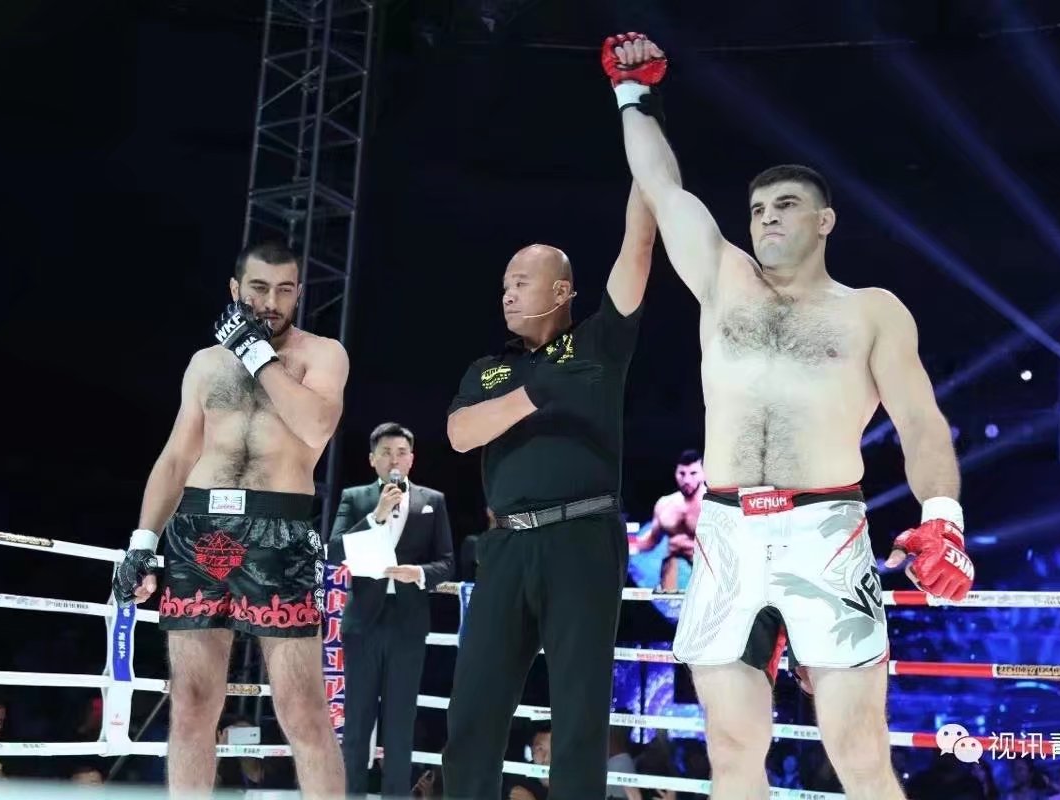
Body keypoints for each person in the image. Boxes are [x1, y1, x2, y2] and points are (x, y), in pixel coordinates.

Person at [603, 32, 975, 800]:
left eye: (785, 206)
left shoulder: (871, 312)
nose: (766, 219)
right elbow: (661, 185)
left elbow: (920, 421)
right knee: (732, 749)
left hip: (825, 532)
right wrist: (632, 95)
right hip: (727, 531)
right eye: (757, 209)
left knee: (858, 750)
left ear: (825, 220)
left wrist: (943, 517)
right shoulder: (722, 279)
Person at [441, 183, 657, 799]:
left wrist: (645, 159)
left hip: (583, 537)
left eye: (521, 282)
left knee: (580, 711)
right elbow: (459, 434)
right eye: (504, 285)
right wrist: (537, 393)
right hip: (506, 545)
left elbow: (637, 247)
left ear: (561, 292)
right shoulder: (489, 368)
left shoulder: (598, 343)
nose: (507, 294)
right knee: (474, 706)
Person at [111, 242, 349, 799]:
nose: (271, 302)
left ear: (299, 293)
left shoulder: (322, 354)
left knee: (302, 707)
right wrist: (143, 542)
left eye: (285, 290)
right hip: (198, 529)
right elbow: (177, 456)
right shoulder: (206, 363)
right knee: (192, 701)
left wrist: (257, 355)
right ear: (235, 289)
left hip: (278, 532)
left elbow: (317, 426)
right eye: (259, 288)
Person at [326, 422, 454, 799]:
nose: (393, 459)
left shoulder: (433, 500)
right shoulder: (356, 497)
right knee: (357, 723)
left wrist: (420, 573)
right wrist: (377, 516)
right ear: (372, 459)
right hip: (363, 622)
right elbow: (334, 551)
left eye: (401, 452)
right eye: (385, 452)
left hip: (408, 622)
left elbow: (447, 562)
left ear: (411, 459)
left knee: (400, 724)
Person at [630, 449, 706, 592]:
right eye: (682, 473)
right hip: (671, 573)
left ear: (704, 474)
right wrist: (621, 542)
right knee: (671, 562)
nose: (687, 480)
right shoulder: (665, 505)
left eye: (693, 473)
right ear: (675, 473)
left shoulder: (713, 506)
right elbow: (650, 541)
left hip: (707, 571)